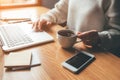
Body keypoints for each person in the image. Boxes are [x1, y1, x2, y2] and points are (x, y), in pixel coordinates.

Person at [32, 0, 120, 56]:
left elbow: (117, 32)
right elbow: (60, 10)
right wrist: (46, 17)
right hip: (71, 48)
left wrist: (100, 38)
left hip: (97, 53)